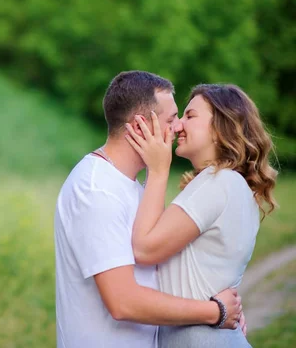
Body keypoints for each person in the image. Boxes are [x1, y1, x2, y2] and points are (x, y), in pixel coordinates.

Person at [54, 71, 243, 348]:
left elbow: (162, 271)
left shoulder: (132, 187)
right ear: (141, 125)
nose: (178, 127)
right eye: (171, 119)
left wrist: (230, 305)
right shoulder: (95, 190)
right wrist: (216, 312)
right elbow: (123, 302)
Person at [125, 83, 277, 347]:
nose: (177, 126)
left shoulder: (218, 182)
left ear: (221, 128)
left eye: (190, 116)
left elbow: (145, 250)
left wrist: (158, 170)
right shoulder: (229, 184)